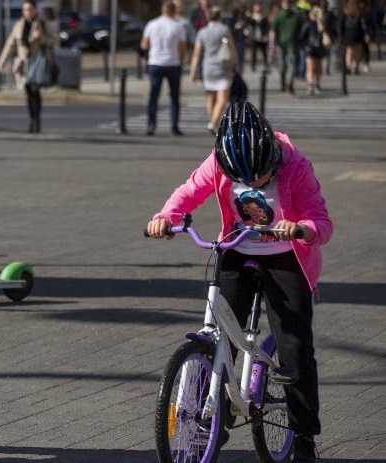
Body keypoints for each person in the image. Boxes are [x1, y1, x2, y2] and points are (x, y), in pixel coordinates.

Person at [146, 101, 332, 463]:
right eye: (244, 180)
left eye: (261, 177)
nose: (253, 183)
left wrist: (302, 229)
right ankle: (207, 421)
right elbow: (189, 192)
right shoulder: (219, 161)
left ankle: (305, 436)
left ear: (273, 158)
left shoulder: (296, 165)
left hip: (287, 257)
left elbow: (320, 220)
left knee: (294, 350)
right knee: (218, 334)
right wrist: (166, 217)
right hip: (236, 247)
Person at [0, 0, 57, 133]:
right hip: (24, 65)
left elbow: (54, 41)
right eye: (25, 9)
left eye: (30, 9)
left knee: (35, 91)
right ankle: (32, 120)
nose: (27, 12)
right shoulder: (19, 25)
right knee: (29, 92)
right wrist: (2, 61)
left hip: (38, 63)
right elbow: (10, 44)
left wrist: (42, 38)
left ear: (35, 10)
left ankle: (36, 121)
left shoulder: (42, 24)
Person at [141, 1, 188, 136]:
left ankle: (151, 125)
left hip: (155, 62)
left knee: (154, 95)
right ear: (174, 11)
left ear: (162, 10)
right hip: (173, 63)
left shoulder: (152, 24)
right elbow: (183, 47)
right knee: (174, 96)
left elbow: (144, 44)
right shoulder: (178, 26)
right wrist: (180, 59)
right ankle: (174, 126)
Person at [189, 6, 236, 135]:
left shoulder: (202, 32)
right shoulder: (224, 30)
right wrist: (235, 64)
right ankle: (213, 123)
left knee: (210, 97)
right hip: (223, 66)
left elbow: (197, 53)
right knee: (222, 98)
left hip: (207, 67)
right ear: (219, 16)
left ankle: (213, 123)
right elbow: (232, 48)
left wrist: (193, 71)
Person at [270, 0, 305, 94]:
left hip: (292, 43)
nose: (287, 5)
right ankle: (283, 84)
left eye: (288, 3)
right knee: (282, 65)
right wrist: (272, 45)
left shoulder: (296, 16)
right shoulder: (279, 16)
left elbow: (302, 30)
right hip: (281, 44)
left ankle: (289, 82)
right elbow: (273, 31)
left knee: (292, 64)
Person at [300, 7, 328, 94]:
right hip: (310, 48)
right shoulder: (307, 24)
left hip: (319, 49)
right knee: (310, 68)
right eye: (313, 13)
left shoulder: (321, 24)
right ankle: (310, 85)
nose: (314, 15)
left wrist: (320, 23)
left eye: (316, 14)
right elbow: (302, 36)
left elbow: (325, 34)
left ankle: (317, 84)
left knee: (318, 69)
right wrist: (304, 47)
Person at [339, 0, 369, 74]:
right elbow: (363, 25)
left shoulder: (345, 14)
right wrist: (366, 34)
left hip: (348, 35)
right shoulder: (359, 14)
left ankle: (348, 67)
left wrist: (341, 36)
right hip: (357, 34)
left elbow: (341, 26)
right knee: (358, 52)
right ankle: (356, 68)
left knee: (349, 51)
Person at [247, 3, 270, 72]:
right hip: (255, 37)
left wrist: (266, 35)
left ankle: (266, 66)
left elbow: (267, 27)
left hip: (262, 38)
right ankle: (253, 66)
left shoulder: (263, 17)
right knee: (254, 53)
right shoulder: (252, 17)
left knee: (264, 52)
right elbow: (249, 24)